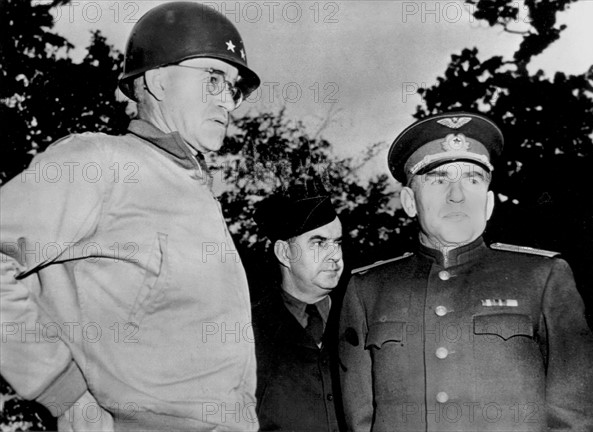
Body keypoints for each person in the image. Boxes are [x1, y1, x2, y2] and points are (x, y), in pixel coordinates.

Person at [0, 3, 260, 431]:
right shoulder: (98, 161)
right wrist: (62, 392)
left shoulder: (195, 190)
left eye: (232, 88)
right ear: (157, 80)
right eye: (213, 78)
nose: (227, 101)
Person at [338, 112, 593, 432]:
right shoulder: (368, 289)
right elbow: (359, 419)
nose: (457, 195)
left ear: (488, 204)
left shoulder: (542, 277)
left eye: (472, 180)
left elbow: (572, 415)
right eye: (439, 180)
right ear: (409, 201)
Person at [252, 186, 345, 432]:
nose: (335, 255)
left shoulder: (360, 313)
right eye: (319, 243)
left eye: (337, 242)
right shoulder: (247, 330)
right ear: (284, 252)